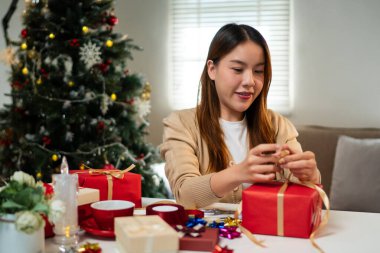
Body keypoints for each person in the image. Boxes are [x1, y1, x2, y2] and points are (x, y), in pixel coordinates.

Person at [160, 23, 320, 209]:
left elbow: (304, 198)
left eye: (258, 71)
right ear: (212, 69)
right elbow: (185, 195)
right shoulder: (180, 124)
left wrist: (311, 175)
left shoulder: (277, 125)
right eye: (237, 69)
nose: (250, 81)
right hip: (210, 234)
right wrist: (238, 173)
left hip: (267, 236)